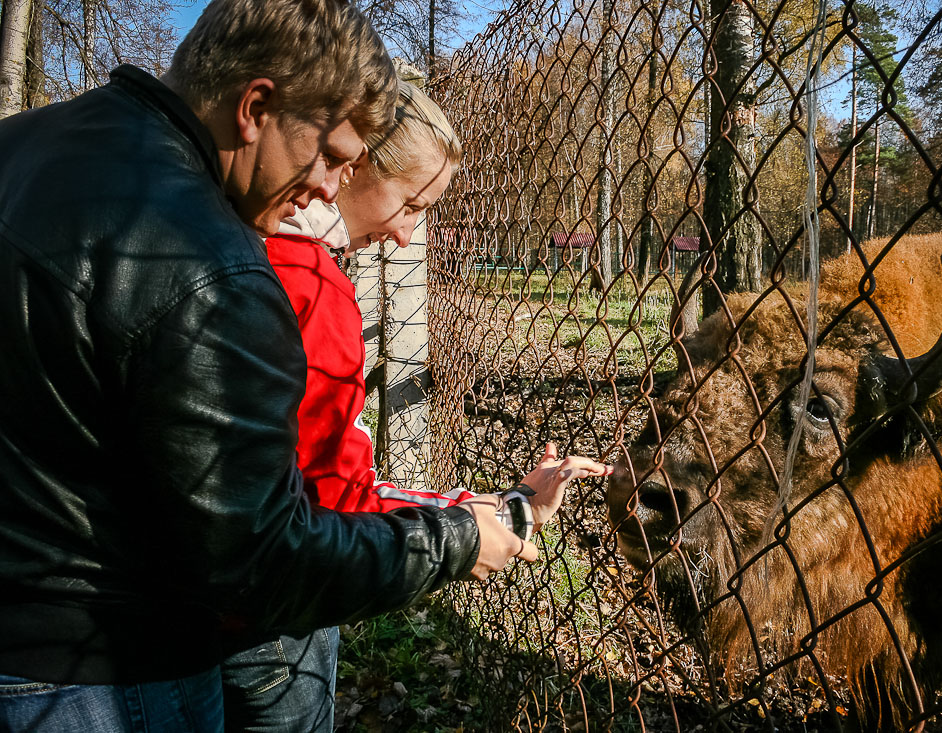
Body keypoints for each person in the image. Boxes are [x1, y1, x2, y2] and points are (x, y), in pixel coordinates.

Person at [0, 1, 608, 730]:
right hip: (106, 668)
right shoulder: (214, 262)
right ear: (256, 106)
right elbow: (266, 555)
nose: (327, 189)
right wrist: (460, 536)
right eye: (330, 156)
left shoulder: (27, 144)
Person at [220, 80, 609, 732]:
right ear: (355, 162)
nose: (405, 236)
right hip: (270, 627)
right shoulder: (311, 286)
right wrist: (503, 513)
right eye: (411, 203)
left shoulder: (238, 237)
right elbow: (335, 504)